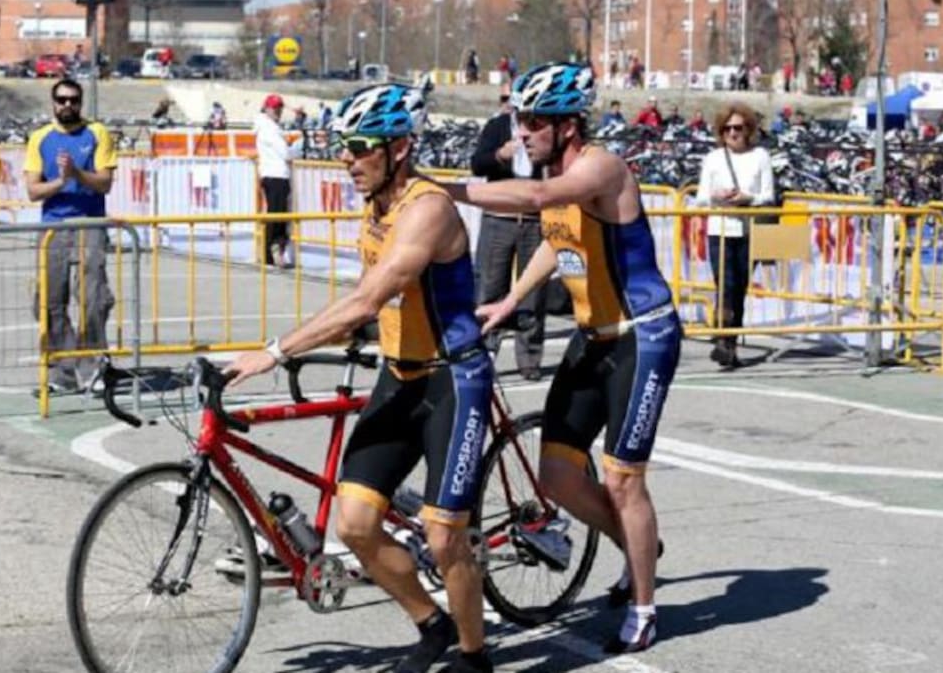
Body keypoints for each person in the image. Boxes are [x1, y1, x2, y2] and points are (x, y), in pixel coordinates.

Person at [226, 83, 495, 673]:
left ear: (399, 147)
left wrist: (276, 351)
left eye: (359, 147)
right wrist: (344, 339)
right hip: (400, 375)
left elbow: (369, 298)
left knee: (445, 534)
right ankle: (433, 624)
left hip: (454, 380)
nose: (346, 159)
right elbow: (376, 301)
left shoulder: (427, 209)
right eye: (341, 146)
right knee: (356, 524)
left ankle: (475, 658)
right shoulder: (374, 205)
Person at [442, 62, 682, 654]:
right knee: (556, 476)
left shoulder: (600, 166)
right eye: (518, 120)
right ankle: (640, 545)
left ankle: (644, 606)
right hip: (590, 337)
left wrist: (441, 189)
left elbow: (543, 198)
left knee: (623, 480)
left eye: (531, 122)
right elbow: (557, 237)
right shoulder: (557, 172)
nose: (518, 132)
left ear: (568, 125)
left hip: (640, 336)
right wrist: (509, 300)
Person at [24, 79, 118, 394]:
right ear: (53, 103)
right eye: (62, 100)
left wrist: (77, 174)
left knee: (93, 298)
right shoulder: (40, 138)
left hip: (89, 223)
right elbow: (34, 190)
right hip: (53, 227)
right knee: (49, 300)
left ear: (81, 102)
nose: (67, 105)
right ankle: (62, 368)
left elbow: (105, 183)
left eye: (73, 100)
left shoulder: (97, 133)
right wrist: (61, 182)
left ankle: (92, 365)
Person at [470, 85, 546, 381]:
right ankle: (484, 352)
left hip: (533, 219)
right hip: (498, 217)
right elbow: (477, 164)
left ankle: (530, 358)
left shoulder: (541, 129)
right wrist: (500, 155)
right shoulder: (497, 126)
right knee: (490, 288)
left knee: (532, 293)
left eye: (510, 101)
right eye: (504, 100)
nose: (506, 105)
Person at [693, 102, 774, 368]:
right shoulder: (714, 158)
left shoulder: (761, 156)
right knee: (725, 287)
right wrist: (717, 197)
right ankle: (722, 340)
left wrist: (746, 198)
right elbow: (701, 197)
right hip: (720, 230)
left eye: (737, 128)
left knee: (739, 290)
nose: (732, 133)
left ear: (748, 129)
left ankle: (730, 344)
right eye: (727, 129)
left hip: (749, 230)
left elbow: (768, 195)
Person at [256, 93, 294, 268]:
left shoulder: (266, 127)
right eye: (275, 108)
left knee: (275, 213)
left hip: (272, 174)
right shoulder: (269, 128)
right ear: (267, 108)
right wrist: (293, 150)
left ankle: (270, 252)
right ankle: (271, 252)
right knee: (277, 215)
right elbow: (285, 153)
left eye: (279, 108)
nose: (278, 111)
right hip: (276, 174)